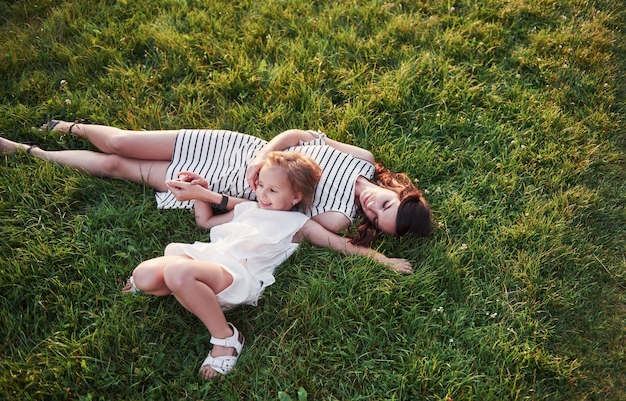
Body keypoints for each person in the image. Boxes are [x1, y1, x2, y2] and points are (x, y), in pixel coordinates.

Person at [0, 120, 432, 272]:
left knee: (116, 167)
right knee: (120, 142)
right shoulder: (362, 159)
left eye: (377, 222)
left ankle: (28, 151)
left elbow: (278, 218)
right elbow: (300, 135)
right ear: (399, 191)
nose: (373, 210)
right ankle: (70, 127)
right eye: (386, 205)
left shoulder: (338, 217)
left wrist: (381, 259)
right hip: (232, 149)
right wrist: (264, 156)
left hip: (220, 186)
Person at [125, 150, 322, 379]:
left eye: (273, 190)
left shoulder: (298, 223)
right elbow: (206, 222)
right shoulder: (249, 208)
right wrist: (200, 192)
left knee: (178, 273)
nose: (262, 195)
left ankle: (226, 337)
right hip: (209, 258)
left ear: (296, 197)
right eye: (261, 186)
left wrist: (373, 255)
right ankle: (190, 290)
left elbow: (342, 245)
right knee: (143, 276)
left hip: (236, 274)